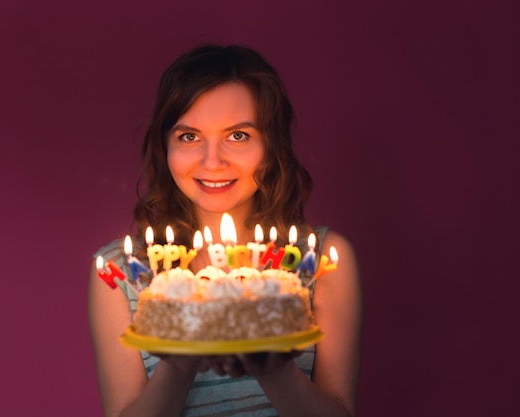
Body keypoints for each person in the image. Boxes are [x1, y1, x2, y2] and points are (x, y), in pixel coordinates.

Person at [88, 44, 362, 417]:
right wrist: (180, 358)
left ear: (271, 144)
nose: (212, 161)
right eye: (189, 136)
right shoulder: (120, 271)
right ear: (164, 145)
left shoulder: (321, 260)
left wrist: (274, 366)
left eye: (238, 136)